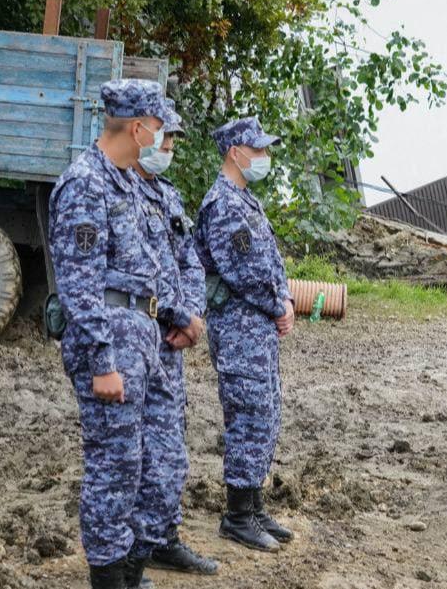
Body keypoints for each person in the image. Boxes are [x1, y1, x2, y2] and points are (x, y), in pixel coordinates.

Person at [49, 79, 168, 589]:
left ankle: (124, 570)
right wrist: (102, 362)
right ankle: (106, 579)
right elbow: (80, 283)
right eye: (158, 128)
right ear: (137, 126)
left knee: (141, 465)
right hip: (111, 346)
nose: (161, 140)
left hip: (139, 340)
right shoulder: (86, 183)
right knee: (113, 468)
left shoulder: (125, 181)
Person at [193, 117, 295, 552]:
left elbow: (270, 262)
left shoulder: (245, 200)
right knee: (248, 416)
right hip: (238, 326)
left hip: (257, 326)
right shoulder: (223, 205)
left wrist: (285, 298)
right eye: (258, 150)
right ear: (235, 152)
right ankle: (236, 516)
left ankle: (253, 506)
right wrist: (279, 304)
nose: (265, 158)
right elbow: (246, 272)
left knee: (266, 412)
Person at [130, 100, 219, 577]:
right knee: (135, 451)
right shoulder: (118, 191)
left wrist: (194, 315)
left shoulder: (168, 194)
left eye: (173, 141)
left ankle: (163, 537)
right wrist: (179, 313)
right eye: (165, 138)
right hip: (142, 335)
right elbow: (137, 268)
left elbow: (189, 261)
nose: (169, 148)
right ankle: (132, 551)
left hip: (173, 342)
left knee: (170, 449)